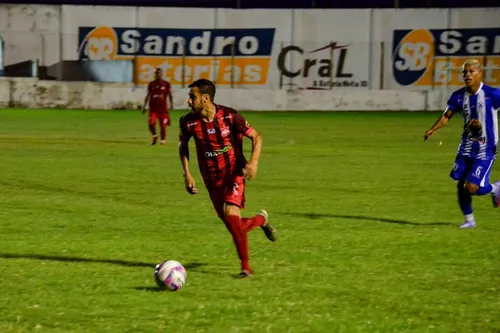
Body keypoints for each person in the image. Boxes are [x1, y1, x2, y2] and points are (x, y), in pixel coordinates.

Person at [178, 78, 277, 278]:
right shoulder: (188, 122)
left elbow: (257, 137)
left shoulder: (230, 116)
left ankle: (245, 268)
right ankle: (260, 220)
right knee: (234, 226)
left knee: (232, 218)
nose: (188, 101)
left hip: (234, 174)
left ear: (206, 98)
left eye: (192, 96)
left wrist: (253, 162)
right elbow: (183, 146)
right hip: (211, 181)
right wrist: (187, 173)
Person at [424, 59, 500, 228]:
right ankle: (469, 221)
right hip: (466, 146)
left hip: (486, 148)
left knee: (471, 187)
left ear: (480, 73)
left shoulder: (492, 94)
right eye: (465, 72)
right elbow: (446, 115)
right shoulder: (458, 96)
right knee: (461, 185)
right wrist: (433, 129)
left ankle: (495, 189)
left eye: (471, 71)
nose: (467, 75)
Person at [142, 68, 173, 145]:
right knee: (151, 123)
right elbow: (148, 95)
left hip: (163, 109)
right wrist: (144, 106)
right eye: (156, 73)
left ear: (162, 74)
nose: (157, 74)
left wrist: (172, 105)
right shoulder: (151, 84)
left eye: (159, 73)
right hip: (153, 109)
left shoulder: (166, 84)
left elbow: (170, 95)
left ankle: (163, 140)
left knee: (163, 125)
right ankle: (154, 136)